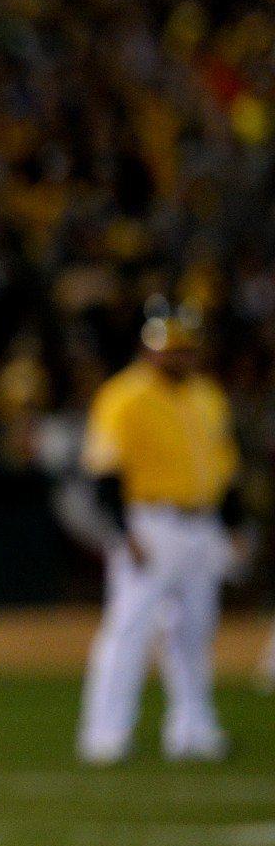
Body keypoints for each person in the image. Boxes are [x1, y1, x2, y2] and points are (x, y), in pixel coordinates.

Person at [77, 304, 247, 763]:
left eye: (184, 349)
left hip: (202, 525)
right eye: (169, 349)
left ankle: (192, 730)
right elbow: (104, 473)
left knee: (195, 631)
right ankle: (105, 733)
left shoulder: (207, 395)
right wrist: (122, 532)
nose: (178, 357)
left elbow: (225, 469)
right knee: (129, 627)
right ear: (148, 350)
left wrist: (232, 527)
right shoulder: (124, 395)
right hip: (149, 523)